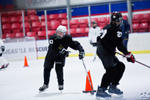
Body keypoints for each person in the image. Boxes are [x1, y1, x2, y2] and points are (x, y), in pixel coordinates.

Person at [96, 12, 135, 98]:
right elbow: (120, 46)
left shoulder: (107, 27)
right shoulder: (117, 30)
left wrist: (109, 47)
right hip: (104, 52)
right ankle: (101, 90)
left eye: (121, 20)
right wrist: (128, 55)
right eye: (119, 20)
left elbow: (98, 38)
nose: (120, 22)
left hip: (106, 51)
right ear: (114, 21)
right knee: (111, 70)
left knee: (120, 66)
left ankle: (113, 87)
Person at [39, 25, 85, 92]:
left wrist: (81, 50)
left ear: (64, 33)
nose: (58, 34)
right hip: (51, 55)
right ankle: (45, 84)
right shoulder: (52, 38)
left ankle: (60, 84)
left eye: (61, 33)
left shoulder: (67, 38)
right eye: (58, 32)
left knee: (59, 69)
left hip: (60, 56)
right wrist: (63, 51)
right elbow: (54, 47)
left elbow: (75, 44)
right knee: (47, 68)